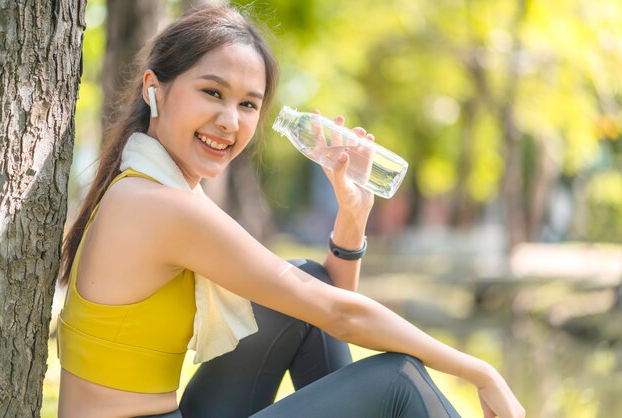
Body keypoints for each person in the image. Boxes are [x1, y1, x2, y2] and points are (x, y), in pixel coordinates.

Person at [56, 5, 525, 418]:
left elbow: (321, 311)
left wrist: (352, 220)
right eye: (212, 93)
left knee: (309, 278)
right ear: (154, 89)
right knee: (399, 381)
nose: (229, 121)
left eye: (247, 104)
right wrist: (479, 370)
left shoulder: (146, 183)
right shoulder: (159, 207)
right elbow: (341, 315)